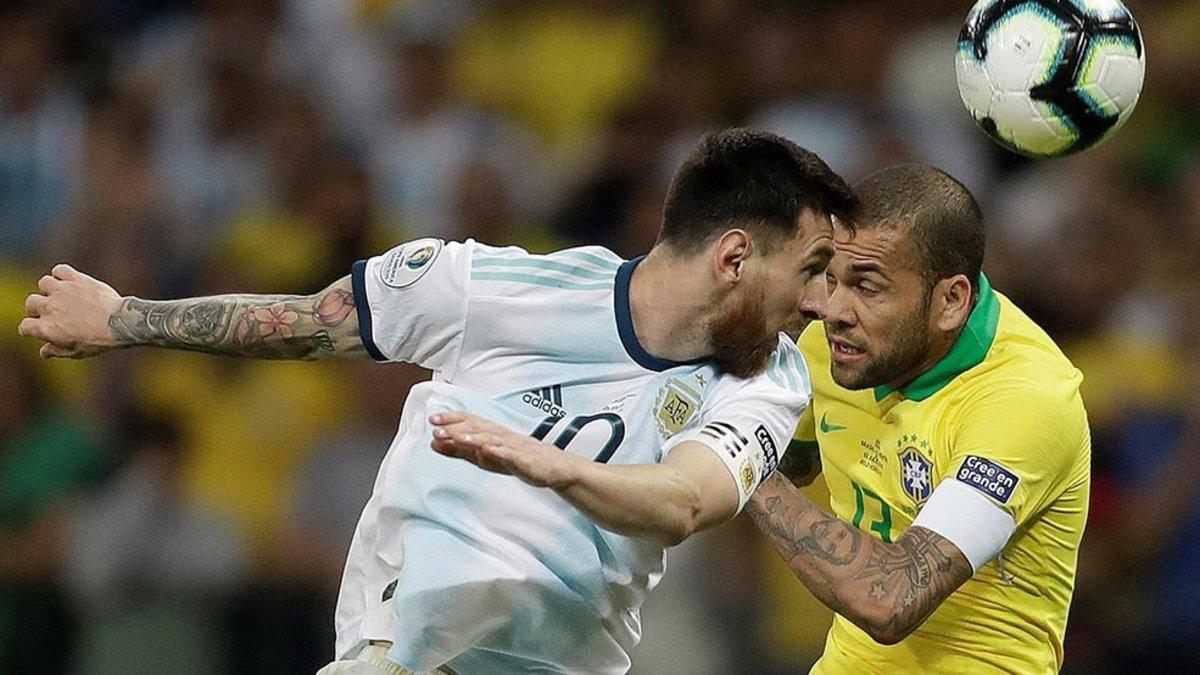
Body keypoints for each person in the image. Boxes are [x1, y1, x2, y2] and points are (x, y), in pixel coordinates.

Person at [18, 129, 855, 674]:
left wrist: (547, 463)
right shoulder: (488, 286)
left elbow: (684, 500)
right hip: (411, 640)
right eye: (813, 268)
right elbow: (304, 325)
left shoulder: (771, 377)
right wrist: (126, 317)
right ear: (736, 257)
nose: (821, 302)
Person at [744, 164, 1090, 673]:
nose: (834, 309)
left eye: (868, 287)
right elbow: (784, 461)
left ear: (950, 301)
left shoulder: (1025, 398)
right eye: (831, 278)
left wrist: (735, 457)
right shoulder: (833, 347)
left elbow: (890, 600)